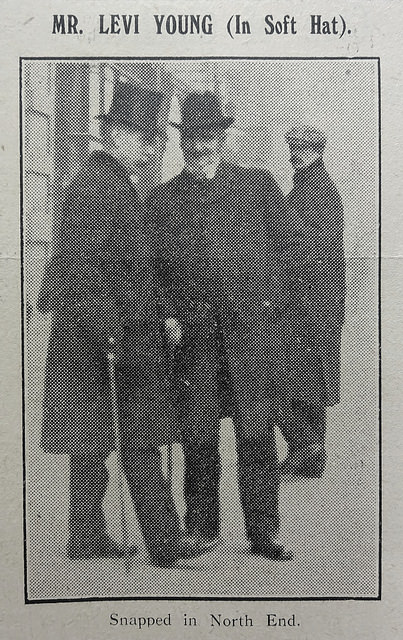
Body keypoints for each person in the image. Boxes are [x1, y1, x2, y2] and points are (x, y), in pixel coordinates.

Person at [37, 82, 217, 567]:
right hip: (107, 331)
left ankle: (87, 537)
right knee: (138, 433)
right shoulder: (101, 184)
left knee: (92, 436)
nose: (152, 146)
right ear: (120, 135)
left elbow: (130, 262)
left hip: (99, 330)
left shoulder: (105, 178)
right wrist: (111, 331)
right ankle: (163, 542)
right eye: (144, 136)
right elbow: (82, 266)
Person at [150, 91, 297, 561]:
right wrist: (168, 314)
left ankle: (264, 531)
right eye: (192, 136)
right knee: (198, 431)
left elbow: (288, 254)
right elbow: (151, 269)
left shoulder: (259, 187)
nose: (200, 145)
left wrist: (274, 309)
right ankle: (202, 527)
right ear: (182, 141)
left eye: (209, 136)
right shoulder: (164, 198)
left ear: (223, 137)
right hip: (192, 334)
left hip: (252, 335)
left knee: (256, 430)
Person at [278, 125, 346, 479]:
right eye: (293, 149)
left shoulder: (313, 192)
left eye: (300, 150)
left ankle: (306, 448)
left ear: (316, 152)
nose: (294, 156)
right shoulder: (314, 187)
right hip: (317, 300)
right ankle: (309, 452)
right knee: (309, 376)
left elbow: (304, 250)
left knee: (296, 376)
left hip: (307, 301)